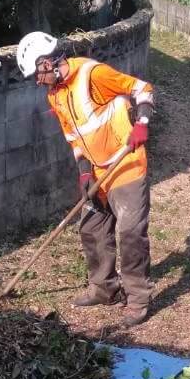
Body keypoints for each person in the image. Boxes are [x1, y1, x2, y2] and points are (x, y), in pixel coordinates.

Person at [16, 31, 155, 327]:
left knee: (130, 232)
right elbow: (74, 138)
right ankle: (104, 289)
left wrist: (142, 123)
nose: (37, 82)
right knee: (91, 229)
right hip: (99, 172)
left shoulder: (92, 74)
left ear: (47, 63)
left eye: (36, 75)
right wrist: (83, 172)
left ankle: (138, 298)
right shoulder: (55, 95)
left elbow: (141, 88)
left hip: (125, 163)